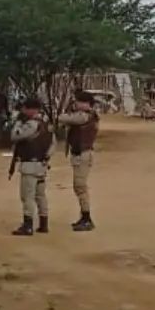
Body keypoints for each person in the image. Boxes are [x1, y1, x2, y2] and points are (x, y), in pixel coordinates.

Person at [9, 97, 53, 236]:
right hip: (42, 164)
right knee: (40, 195)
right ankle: (43, 223)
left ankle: (28, 225)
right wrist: (46, 157)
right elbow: (53, 144)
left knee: (27, 195)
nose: (23, 110)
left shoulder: (31, 124)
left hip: (30, 164)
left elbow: (15, 136)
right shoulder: (46, 124)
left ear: (31, 109)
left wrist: (17, 123)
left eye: (25, 108)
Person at [60, 90, 100, 231]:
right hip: (81, 154)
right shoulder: (88, 116)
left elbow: (64, 118)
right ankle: (84, 217)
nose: (75, 103)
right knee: (79, 187)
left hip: (82, 154)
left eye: (78, 101)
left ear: (85, 104)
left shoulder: (84, 116)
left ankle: (86, 217)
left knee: (80, 186)